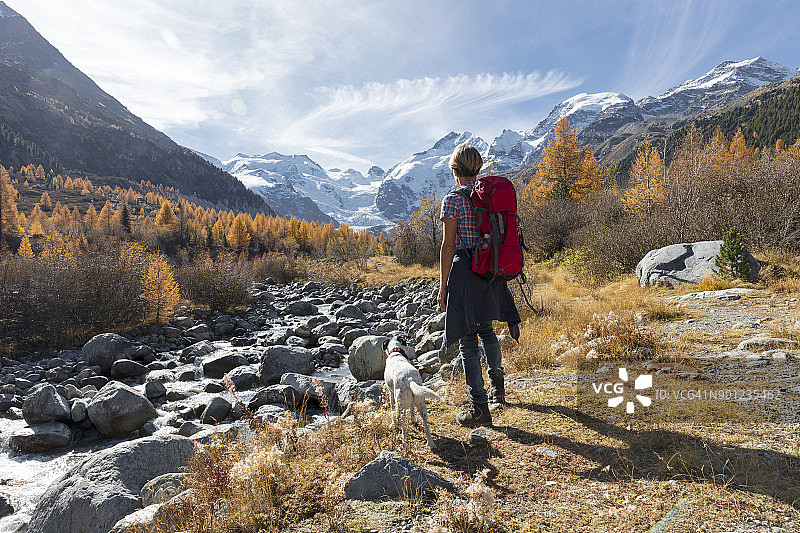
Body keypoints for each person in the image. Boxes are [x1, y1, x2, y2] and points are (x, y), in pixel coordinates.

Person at [438, 144, 521, 428]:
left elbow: (448, 245)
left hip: (466, 270)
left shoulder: (453, 200)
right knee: (487, 329)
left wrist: (442, 288)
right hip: (492, 267)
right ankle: (499, 389)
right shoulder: (488, 195)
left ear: (454, 170)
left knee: (468, 341)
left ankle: (479, 408)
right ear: (478, 167)